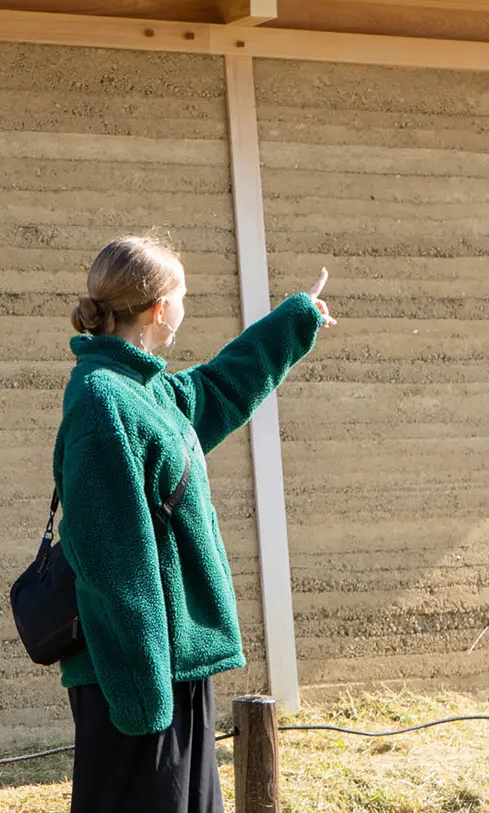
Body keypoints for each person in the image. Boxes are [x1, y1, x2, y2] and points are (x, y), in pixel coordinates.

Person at [55, 234, 335, 813]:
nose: (185, 307)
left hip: (167, 665)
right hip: (132, 682)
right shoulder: (103, 402)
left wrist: (295, 319)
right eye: (182, 296)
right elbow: (116, 565)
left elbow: (217, 388)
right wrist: (144, 700)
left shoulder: (142, 389)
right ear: (159, 309)